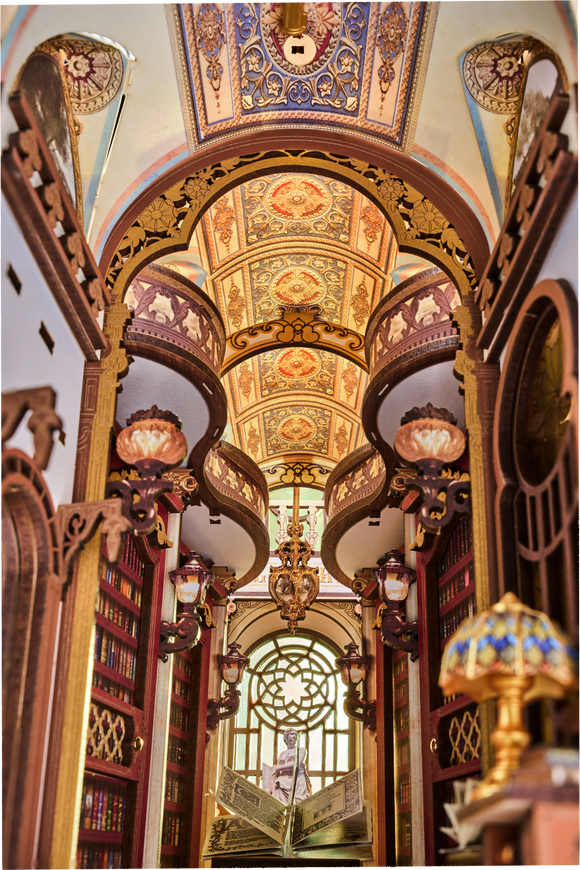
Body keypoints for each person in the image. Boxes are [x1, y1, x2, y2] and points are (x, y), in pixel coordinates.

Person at [262, 728, 312, 804]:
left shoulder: (301, 750)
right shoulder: (283, 753)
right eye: (292, 734)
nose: (294, 736)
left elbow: (296, 763)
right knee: (280, 805)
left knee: (298, 804)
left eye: (295, 734)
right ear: (286, 737)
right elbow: (277, 769)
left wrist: (279, 768)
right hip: (282, 782)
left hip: (296, 780)